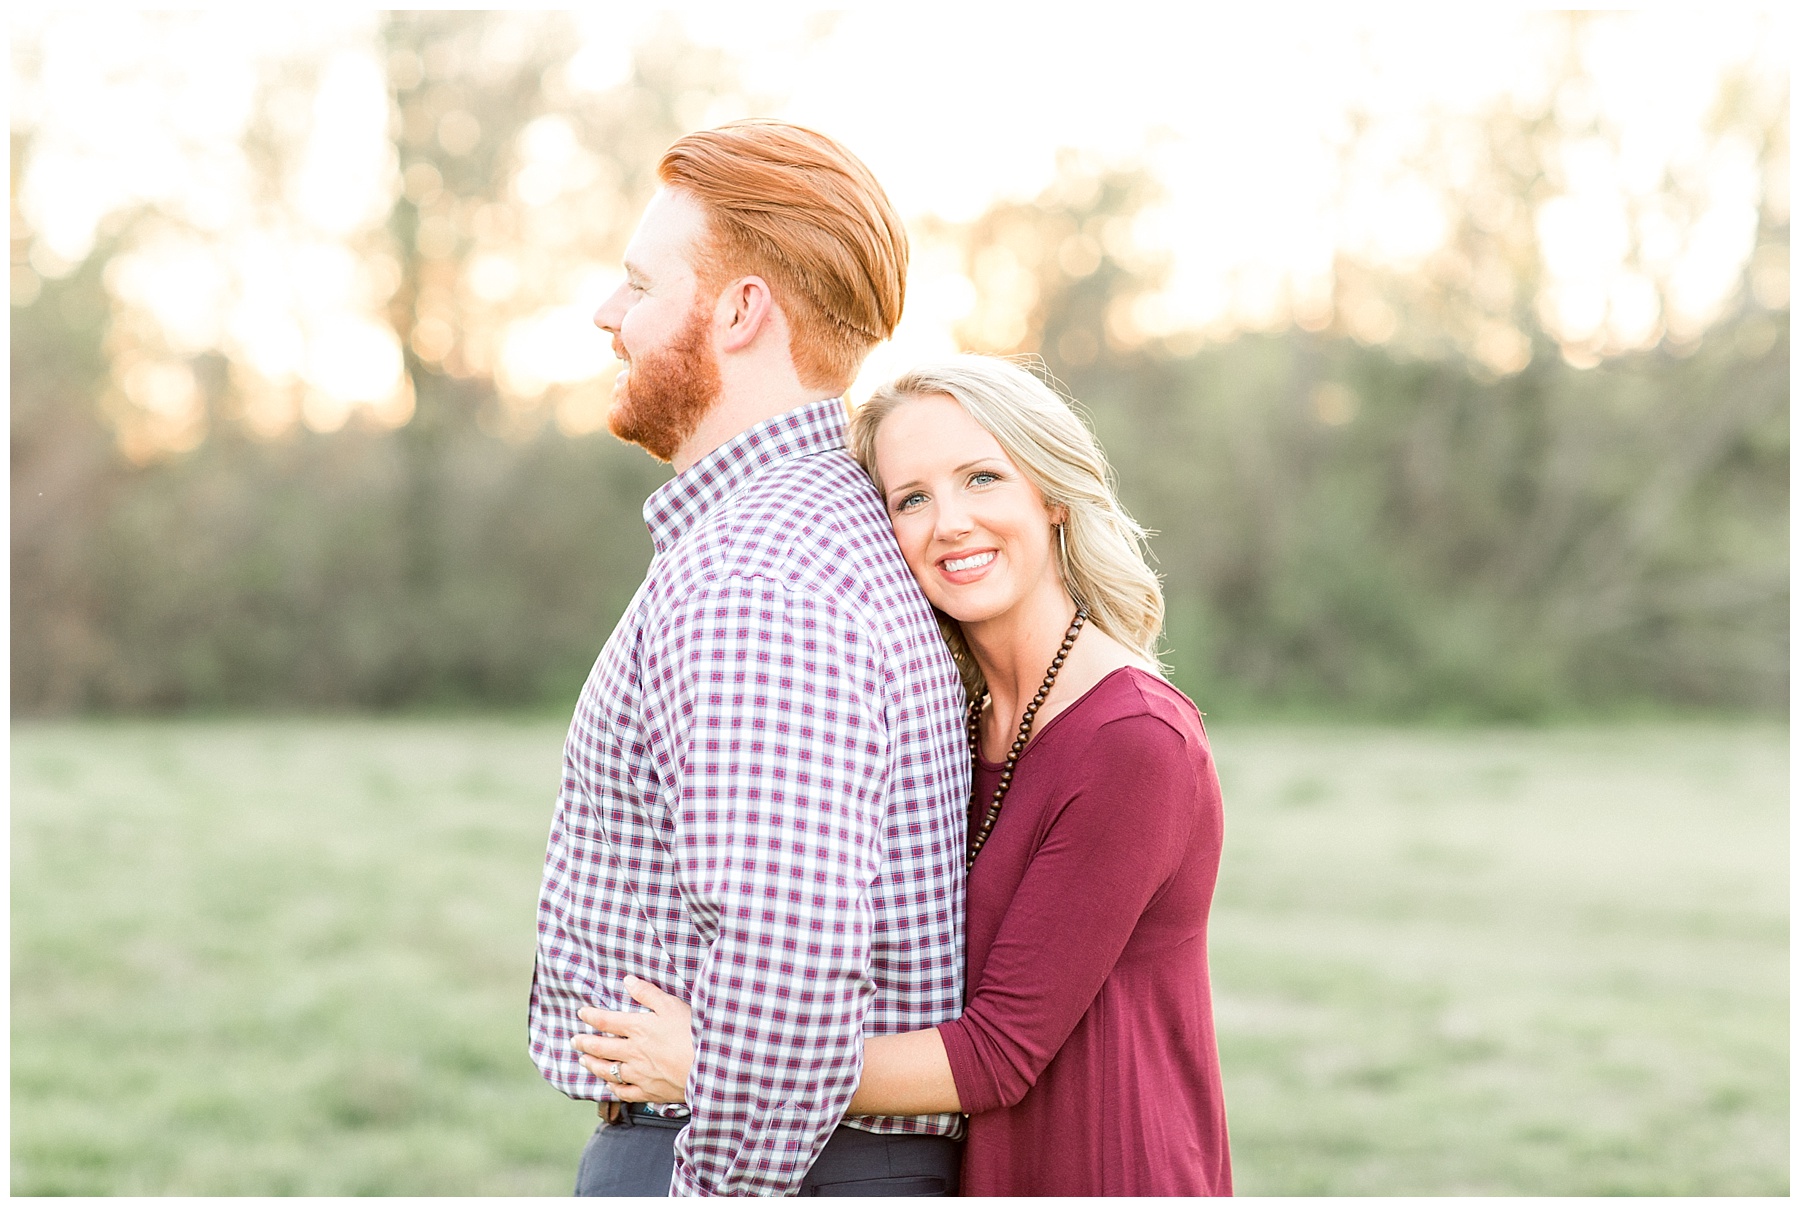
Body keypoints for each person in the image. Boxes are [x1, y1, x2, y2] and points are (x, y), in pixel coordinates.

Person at [577, 355, 1233, 1196]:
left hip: (1104, 1165)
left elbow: (997, 1051)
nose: (949, 522)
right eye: (911, 498)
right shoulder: (959, 722)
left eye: (982, 478)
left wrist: (715, 1061)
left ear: (1054, 495)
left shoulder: (1132, 740)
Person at [529, 122, 971, 1197]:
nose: (606, 314)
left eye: (640, 285)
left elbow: (791, 955)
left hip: (757, 1161)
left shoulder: (756, 575)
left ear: (740, 311)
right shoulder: (824, 528)